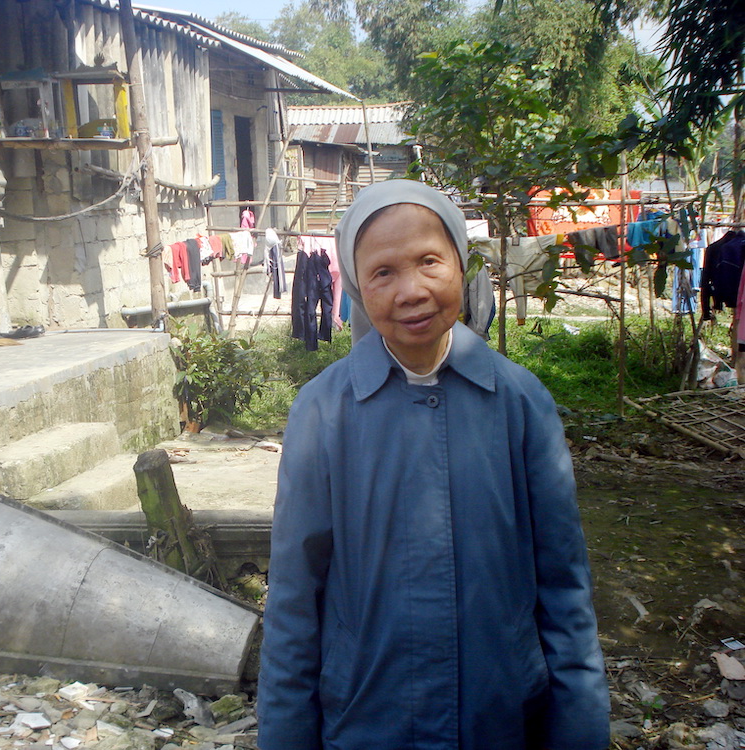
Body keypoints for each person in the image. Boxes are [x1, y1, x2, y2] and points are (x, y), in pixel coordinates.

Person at [257, 180, 610, 750]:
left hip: (499, 717)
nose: (412, 291)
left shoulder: (520, 401)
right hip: (368, 720)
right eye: (383, 272)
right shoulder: (323, 411)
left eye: (429, 262)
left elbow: (565, 588)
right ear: (354, 284)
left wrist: (580, 730)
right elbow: (295, 598)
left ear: (460, 265)